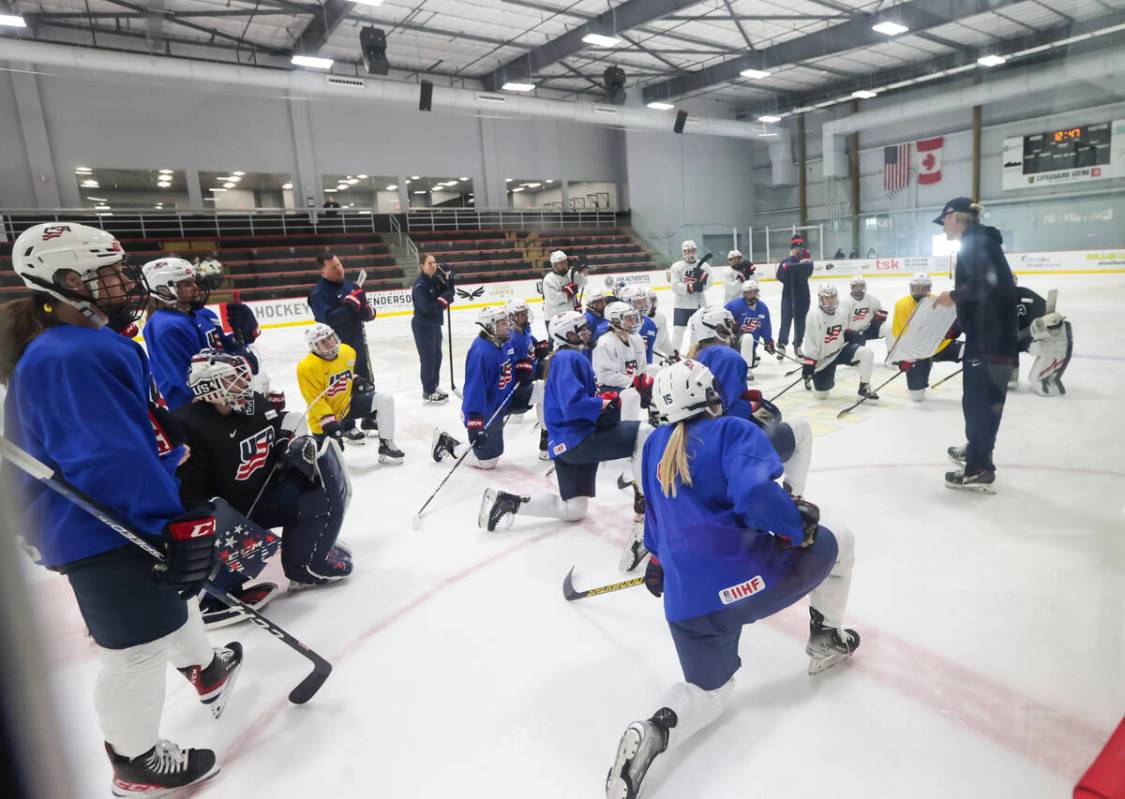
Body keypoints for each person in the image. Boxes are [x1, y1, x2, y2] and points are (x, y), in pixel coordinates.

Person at [1, 223, 241, 795]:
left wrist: (168, 448)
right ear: (65, 281)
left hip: (111, 511)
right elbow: (105, 460)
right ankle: (134, 762)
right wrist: (165, 522)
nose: (122, 282)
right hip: (93, 528)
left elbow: (121, 436)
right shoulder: (70, 354)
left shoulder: (82, 344)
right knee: (133, 652)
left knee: (170, 597)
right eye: (105, 273)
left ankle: (204, 669)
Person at [605, 359, 858, 799]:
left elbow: (656, 519)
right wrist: (797, 526)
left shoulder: (652, 447)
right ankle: (827, 638)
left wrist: (660, 562)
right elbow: (756, 496)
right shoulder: (732, 432)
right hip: (751, 581)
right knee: (843, 539)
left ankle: (655, 730)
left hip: (687, 603)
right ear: (710, 397)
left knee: (709, 691)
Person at [173, 350, 353, 622]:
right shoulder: (188, 425)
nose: (245, 385)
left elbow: (274, 431)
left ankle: (304, 560)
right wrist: (209, 531)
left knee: (316, 493)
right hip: (231, 513)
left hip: (262, 493)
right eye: (235, 380)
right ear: (210, 386)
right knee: (220, 524)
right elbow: (189, 492)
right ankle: (215, 595)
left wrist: (287, 444)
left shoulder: (253, 403)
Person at [476, 311, 650, 553]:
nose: (588, 332)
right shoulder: (570, 358)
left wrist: (601, 399)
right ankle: (646, 507)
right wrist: (602, 404)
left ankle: (508, 502)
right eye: (580, 329)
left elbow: (570, 402)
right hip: (579, 440)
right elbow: (573, 405)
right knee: (644, 433)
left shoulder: (563, 358)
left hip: (564, 445)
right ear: (566, 334)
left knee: (573, 510)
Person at [932, 197, 1018, 491]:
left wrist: (952, 296)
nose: (943, 225)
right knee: (986, 403)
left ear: (955, 217)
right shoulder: (983, 241)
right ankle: (977, 453)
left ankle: (979, 467)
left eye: (943, 219)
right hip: (995, 338)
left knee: (979, 404)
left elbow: (985, 284)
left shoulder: (974, 243)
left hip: (989, 340)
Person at [688, 307, 812, 499]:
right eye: (728, 325)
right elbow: (726, 415)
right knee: (801, 428)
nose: (734, 330)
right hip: (730, 454)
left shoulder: (690, 360)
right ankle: (794, 498)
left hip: (695, 451)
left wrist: (745, 400)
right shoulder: (728, 357)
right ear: (714, 329)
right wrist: (752, 408)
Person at [142, 257, 259, 411]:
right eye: (188, 284)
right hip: (195, 411)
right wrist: (243, 363)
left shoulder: (204, 314)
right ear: (164, 289)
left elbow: (220, 348)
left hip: (226, 397)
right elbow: (191, 383)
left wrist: (241, 337)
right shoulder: (165, 328)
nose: (196, 288)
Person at [297, 323, 404, 462]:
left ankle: (386, 444)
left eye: (330, 337)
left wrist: (356, 380)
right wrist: (329, 421)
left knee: (385, 400)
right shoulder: (306, 367)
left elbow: (344, 374)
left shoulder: (347, 351)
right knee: (331, 460)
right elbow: (314, 399)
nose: (329, 343)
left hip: (346, 406)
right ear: (314, 347)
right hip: (322, 420)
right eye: (322, 342)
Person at [431, 307, 517, 470]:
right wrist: (475, 422)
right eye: (502, 323)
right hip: (484, 412)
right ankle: (448, 443)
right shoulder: (481, 352)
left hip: (498, 406)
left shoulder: (500, 343)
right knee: (487, 462)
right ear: (490, 326)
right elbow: (474, 389)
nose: (508, 326)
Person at [800, 284, 880, 401]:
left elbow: (842, 331)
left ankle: (864, 388)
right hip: (824, 359)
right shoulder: (814, 315)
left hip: (840, 351)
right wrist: (809, 363)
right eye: (827, 298)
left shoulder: (841, 311)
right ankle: (812, 379)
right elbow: (811, 342)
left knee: (866, 353)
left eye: (833, 297)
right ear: (821, 299)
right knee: (822, 395)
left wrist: (850, 334)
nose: (831, 301)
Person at [890, 273, 962, 402]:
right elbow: (898, 334)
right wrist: (904, 357)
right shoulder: (901, 304)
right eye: (916, 288)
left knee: (970, 351)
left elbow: (952, 321)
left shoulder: (940, 301)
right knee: (916, 396)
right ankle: (925, 364)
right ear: (910, 288)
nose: (919, 291)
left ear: (929, 288)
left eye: (923, 288)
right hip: (917, 352)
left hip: (939, 346)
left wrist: (953, 329)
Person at [308, 252, 374, 384]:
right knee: (346, 394)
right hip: (337, 355)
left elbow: (363, 314)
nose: (339, 269)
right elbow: (328, 321)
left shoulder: (351, 285)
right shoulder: (318, 294)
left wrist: (368, 311)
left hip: (359, 348)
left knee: (367, 386)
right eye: (333, 267)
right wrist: (350, 305)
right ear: (323, 272)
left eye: (339, 264)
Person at [504, 299, 552, 459]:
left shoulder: (524, 331)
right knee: (545, 391)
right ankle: (546, 440)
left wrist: (540, 347)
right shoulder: (511, 339)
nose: (525, 316)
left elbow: (532, 345)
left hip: (530, 372)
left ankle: (546, 431)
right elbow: (512, 368)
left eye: (525, 313)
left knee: (552, 368)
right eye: (520, 315)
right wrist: (523, 371)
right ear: (512, 318)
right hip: (518, 384)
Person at [593, 301, 650, 423]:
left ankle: (655, 418)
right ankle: (627, 428)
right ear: (615, 321)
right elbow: (605, 377)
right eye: (628, 319)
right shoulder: (605, 343)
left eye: (634, 318)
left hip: (631, 384)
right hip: (608, 389)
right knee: (632, 397)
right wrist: (634, 383)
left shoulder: (636, 338)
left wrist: (644, 385)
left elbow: (642, 368)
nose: (633, 322)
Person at [411, 252, 454, 403]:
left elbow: (450, 294)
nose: (434, 265)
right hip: (423, 326)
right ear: (422, 266)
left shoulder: (436, 279)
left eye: (435, 262)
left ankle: (434, 385)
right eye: (430, 263)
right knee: (428, 358)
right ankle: (427, 390)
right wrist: (442, 302)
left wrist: (450, 278)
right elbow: (426, 307)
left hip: (435, 325)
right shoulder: (419, 285)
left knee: (437, 357)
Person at [724, 278, 774, 376]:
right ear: (744, 294)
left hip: (751, 345)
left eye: (754, 292)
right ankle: (746, 369)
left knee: (754, 358)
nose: (752, 295)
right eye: (749, 293)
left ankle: (749, 360)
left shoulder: (762, 308)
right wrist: (731, 324)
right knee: (747, 337)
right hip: (734, 341)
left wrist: (768, 341)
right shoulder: (735, 305)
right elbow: (722, 316)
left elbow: (766, 327)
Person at [775, 235, 814, 360]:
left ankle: (798, 345)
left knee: (800, 322)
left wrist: (792, 269)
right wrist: (791, 269)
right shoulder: (786, 260)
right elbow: (780, 275)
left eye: (799, 247)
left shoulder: (807, 260)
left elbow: (807, 271)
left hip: (802, 296)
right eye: (795, 247)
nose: (797, 249)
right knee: (785, 320)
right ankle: (781, 344)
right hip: (788, 295)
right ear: (791, 249)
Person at [670, 240, 711, 350]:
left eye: (693, 251)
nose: (691, 254)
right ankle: (674, 355)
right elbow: (674, 286)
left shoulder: (704, 266)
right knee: (678, 330)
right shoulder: (676, 267)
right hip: (681, 305)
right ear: (683, 253)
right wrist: (691, 287)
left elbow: (709, 283)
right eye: (688, 251)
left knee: (699, 331)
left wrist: (701, 284)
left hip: (699, 304)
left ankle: (695, 354)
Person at [1026, 312, 1072, 397]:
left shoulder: (1049, 333)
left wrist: (1035, 343)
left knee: (1034, 378)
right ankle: (1051, 385)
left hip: (1053, 358)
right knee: (1048, 377)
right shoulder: (1061, 327)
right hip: (1055, 356)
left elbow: (1033, 351)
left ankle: (1048, 389)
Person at [541, 250, 585, 334]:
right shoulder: (549, 279)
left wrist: (581, 272)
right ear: (554, 265)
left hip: (570, 317)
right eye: (560, 263)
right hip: (554, 319)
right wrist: (567, 293)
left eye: (565, 262)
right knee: (555, 343)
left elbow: (583, 283)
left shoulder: (570, 274)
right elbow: (552, 299)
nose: (564, 265)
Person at [842, 276, 887, 343]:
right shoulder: (845, 302)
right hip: (852, 334)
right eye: (857, 287)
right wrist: (849, 333)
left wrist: (876, 322)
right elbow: (842, 324)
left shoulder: (871, 299)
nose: (859, 289)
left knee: (886, 329)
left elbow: (882, 312)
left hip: (868, 330)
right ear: (852, 288)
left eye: (861, 286)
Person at [620, 286, 657, 364]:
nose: (643, 305)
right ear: (628, 303)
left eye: (643, 301)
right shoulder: (620, 325)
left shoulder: (650, 324)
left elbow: (649, 351)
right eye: (638, 302)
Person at [647, 288, 673, 360]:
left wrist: (672, 352)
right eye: (650, 300)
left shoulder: (660, 316)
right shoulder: (636, 319)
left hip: (657, 357)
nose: (653, 303)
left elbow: (664, 340)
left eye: (654, 300)